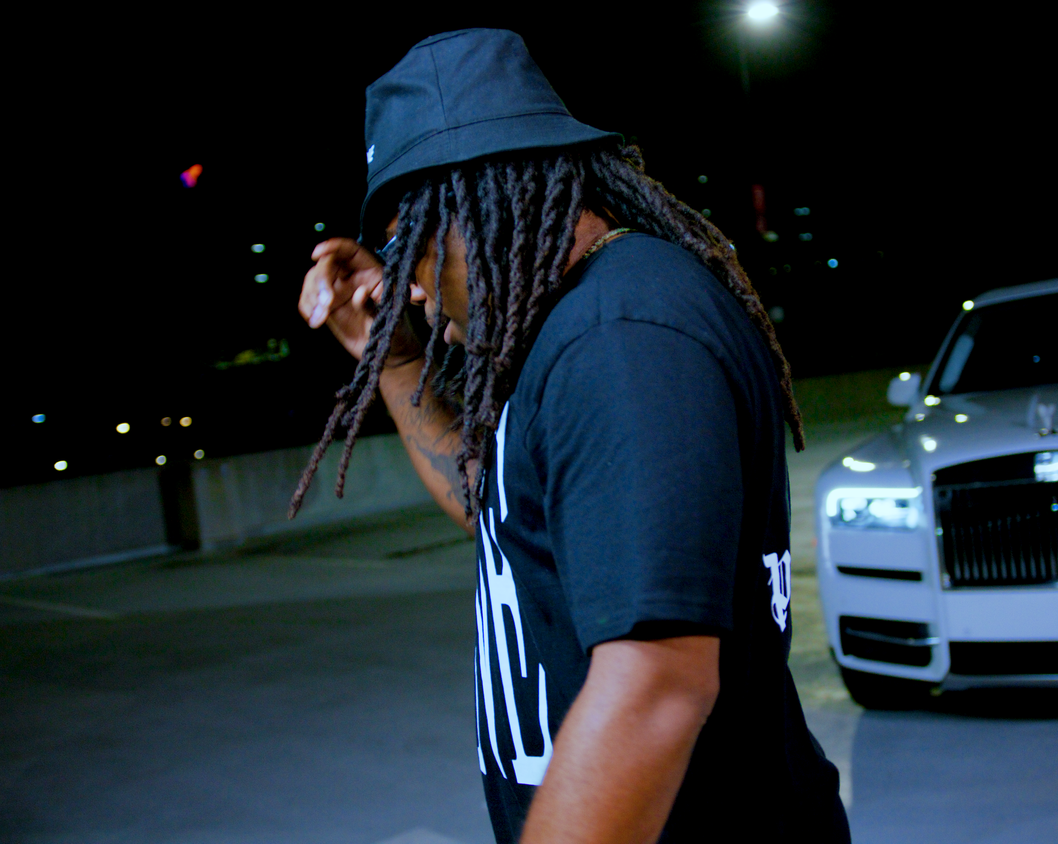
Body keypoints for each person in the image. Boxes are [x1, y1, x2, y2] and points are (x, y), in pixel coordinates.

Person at [292, 29, 850, 844]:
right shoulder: (571, 329)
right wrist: (397, 361)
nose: (408, 288)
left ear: (475, 199)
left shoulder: (620, 334)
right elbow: (499, 509)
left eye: (407, 246)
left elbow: (656, 683)